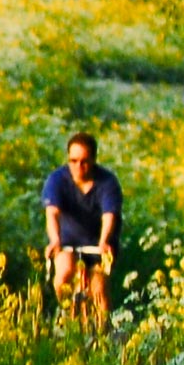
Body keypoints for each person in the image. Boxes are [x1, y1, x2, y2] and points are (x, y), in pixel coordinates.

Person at [42, 131, 124, 327]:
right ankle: (66, 316)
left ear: (94, 160)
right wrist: (55, 240)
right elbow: (52, 212)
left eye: (85, 161)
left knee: (98, 290)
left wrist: (104, 241)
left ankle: (102, 334)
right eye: (74, 160)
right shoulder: (57, 180)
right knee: (64, 273)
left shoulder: (107, 182)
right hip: (68, 242)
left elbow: (109, 215)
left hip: (98, 246)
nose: (79, 166)